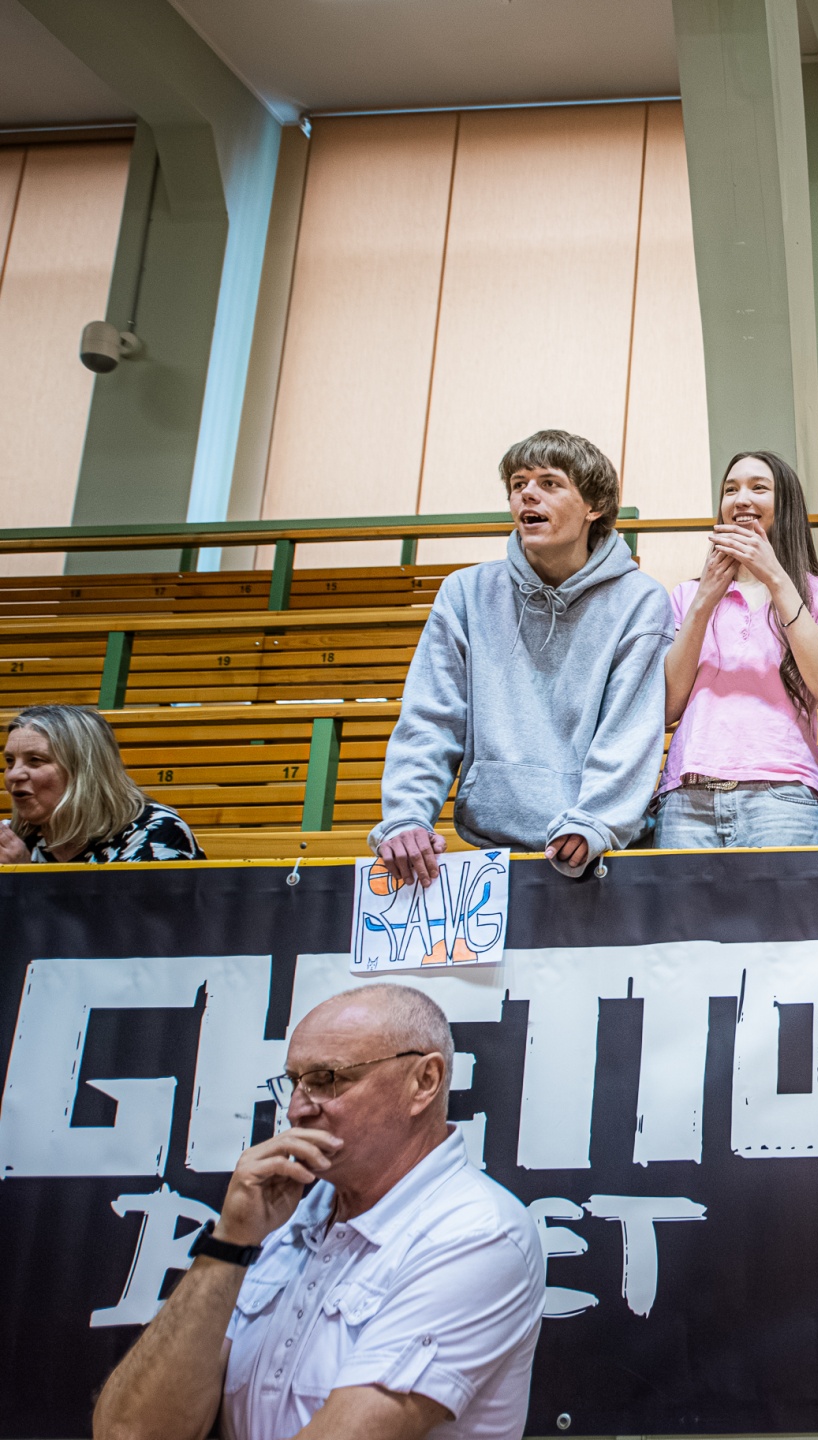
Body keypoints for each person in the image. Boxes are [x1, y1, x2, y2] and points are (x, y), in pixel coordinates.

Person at [90, 984, 545, 1440]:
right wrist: (229, 1242)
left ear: (423, 1082)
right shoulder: (280, 1222)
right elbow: (128, 1433)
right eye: (294, 1082)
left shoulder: (476, 1231)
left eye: (327, 1079)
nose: (296, 1110)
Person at [371, 430, 673, 881]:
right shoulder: (466, 592)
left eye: (549, 483)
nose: (527, 493)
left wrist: (596, 819)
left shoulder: (640, 600)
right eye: (518, 484)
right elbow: (431, 719)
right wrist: (407, 816)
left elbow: (630, 730)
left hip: (598, 853)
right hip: (491, 849)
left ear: (594, 506)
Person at [657, 451, 818, 848]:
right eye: (731, 490)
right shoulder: (686, 596)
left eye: (758, 487)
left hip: (784, 792)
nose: (741, 499)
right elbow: (667, 707)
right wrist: (705, 599)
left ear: (786, 505)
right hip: (687, 795)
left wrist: (776, 578)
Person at [0, 704, 203, 863]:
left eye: (35, 760)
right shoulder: (10, 841)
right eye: (10, 761)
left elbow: (131, 907)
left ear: (84, 769)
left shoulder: (153, 831)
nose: (14, 774)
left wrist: (22, 877)